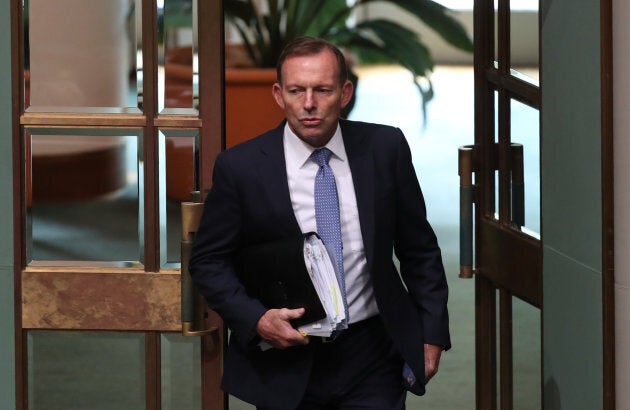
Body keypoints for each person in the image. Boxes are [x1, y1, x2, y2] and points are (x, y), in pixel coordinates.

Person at [189, 36, 450, 410]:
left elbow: (419, 249)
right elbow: (208, 262)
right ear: (279, 95)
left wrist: (432, 333)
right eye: (296, 90)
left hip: (372, 353)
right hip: (287, 358)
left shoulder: (384, 149)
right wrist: (257, 318)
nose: (308, 103)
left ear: (345, 93)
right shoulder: (241, 168)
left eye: (322, 90)